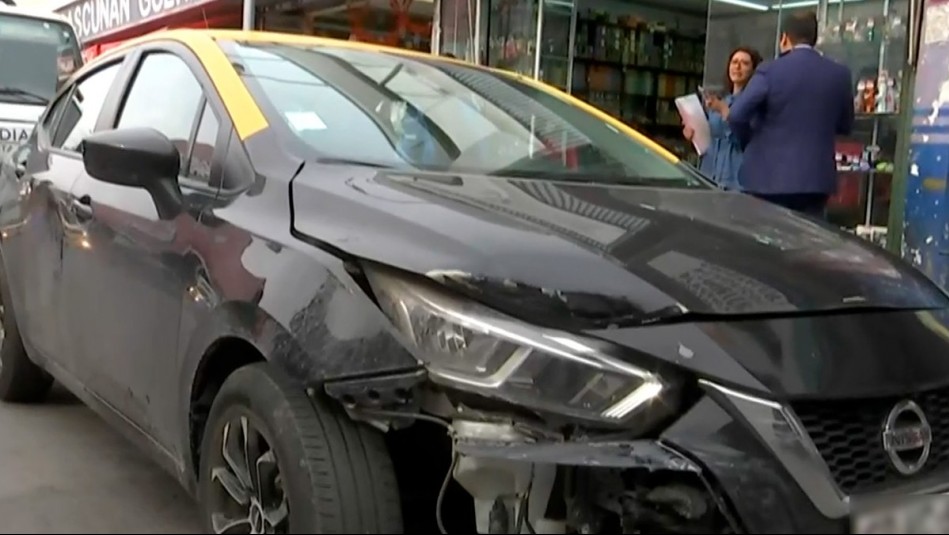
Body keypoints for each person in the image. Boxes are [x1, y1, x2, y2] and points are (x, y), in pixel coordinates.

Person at [714, 10, 854, 218]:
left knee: (766, 241)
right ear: (815, 38)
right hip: (815, 180)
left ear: (785, 38)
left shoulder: (769, 71)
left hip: (767, 178)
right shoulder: (839, 74)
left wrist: (750, 141)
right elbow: (845, 125)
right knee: (807, 243)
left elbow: (737, 115)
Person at [684, 46, 763, 191]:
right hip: (710, 174)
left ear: (753, 70)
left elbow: (743, 139)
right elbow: (709, 139)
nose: (737, 67)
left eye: (744, 63)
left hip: (735, 178)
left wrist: (724, 110)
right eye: (734, 62)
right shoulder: (722, 100)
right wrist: (693, 134)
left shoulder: (754, 104)